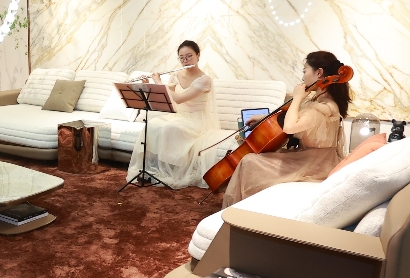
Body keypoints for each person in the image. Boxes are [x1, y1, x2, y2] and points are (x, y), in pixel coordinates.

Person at [221, 50, 350, 208]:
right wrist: (264, 118)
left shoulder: (323, 108)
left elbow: (289, 127)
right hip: (312, 158)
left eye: (305, 71)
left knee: (249, 161)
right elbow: (293, 116)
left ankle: (244, 210)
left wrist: (297, 97)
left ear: (319, 73)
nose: (302, 77)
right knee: (258, 156)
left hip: (316, 165)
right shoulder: (320, 101)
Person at [126, 40, 220, 189]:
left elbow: (179, 99)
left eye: (189, 56)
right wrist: (148, 83)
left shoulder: (204, 80)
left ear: (198, 55)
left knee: (170, 128)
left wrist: (159, 82)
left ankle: (170, 172)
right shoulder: (177, 75)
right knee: (153, 125)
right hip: (179, 116)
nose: (185, 61)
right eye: (181, 58)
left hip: (196, 120)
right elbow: (165, 95)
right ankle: (150, 169)